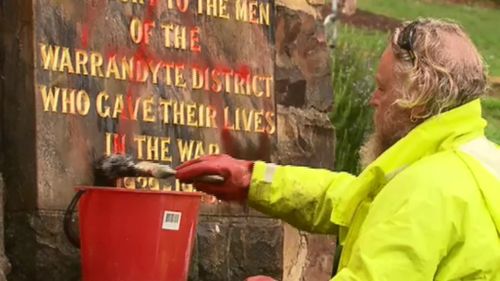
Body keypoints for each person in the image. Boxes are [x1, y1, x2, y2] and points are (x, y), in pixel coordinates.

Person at [176, 18, 500, 281]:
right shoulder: (477, 161)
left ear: (415, 104)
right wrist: (253, 179)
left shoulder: (426, 192)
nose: (372, 99)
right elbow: (353, 198)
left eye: (382, 87)